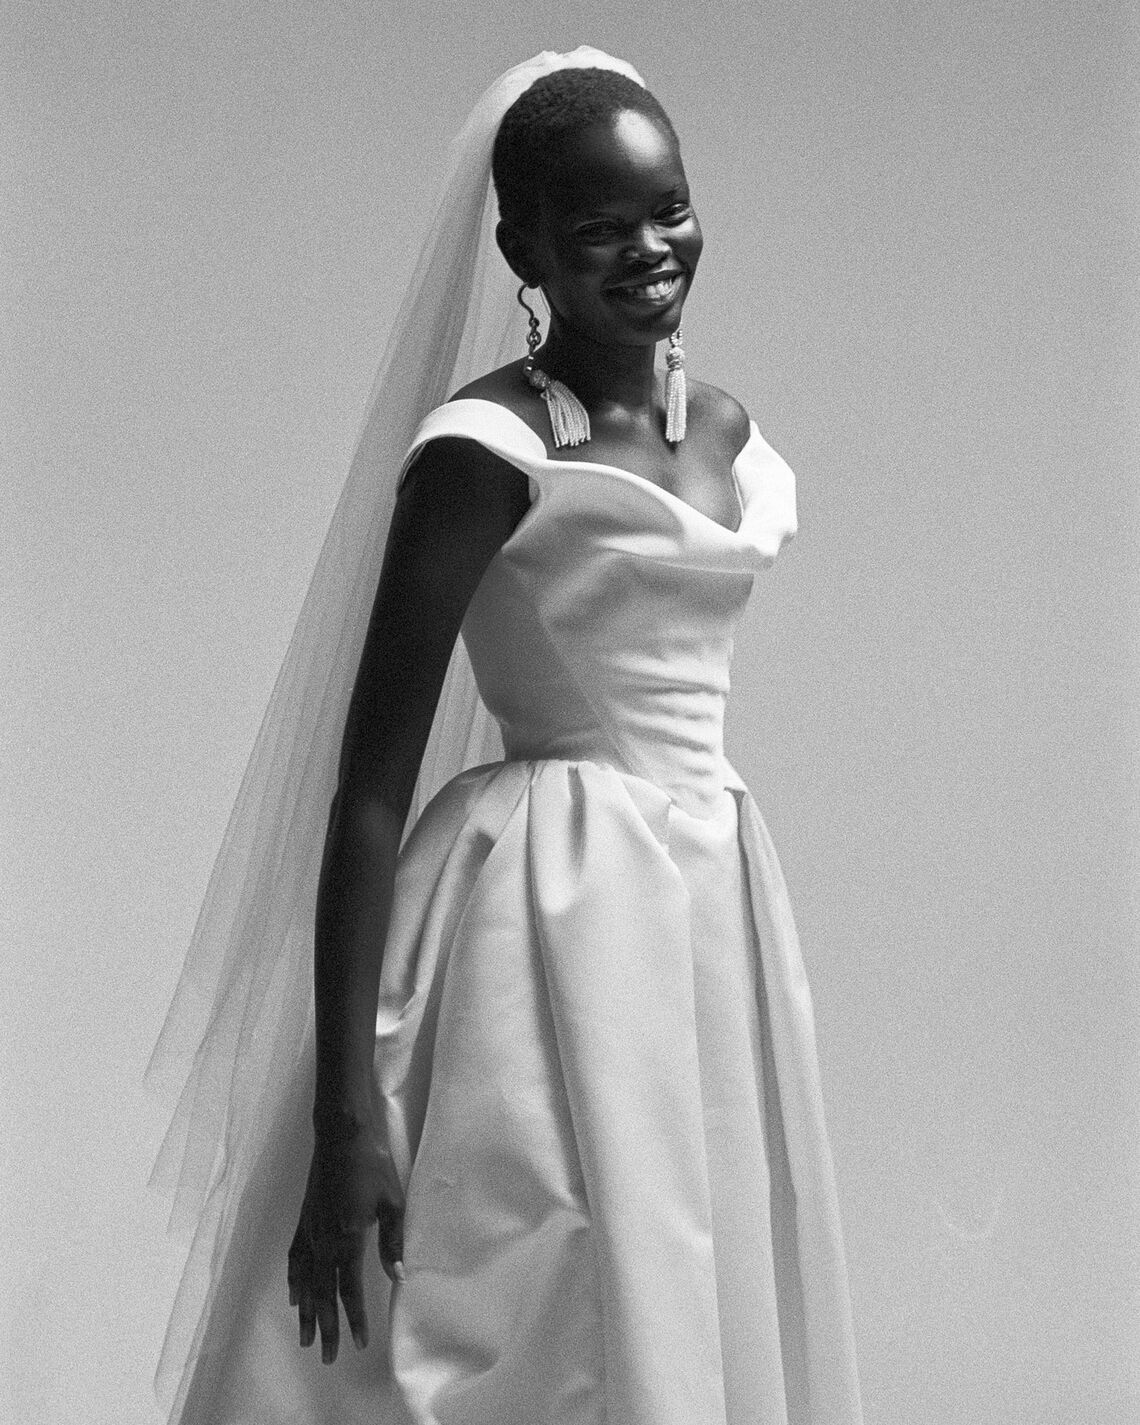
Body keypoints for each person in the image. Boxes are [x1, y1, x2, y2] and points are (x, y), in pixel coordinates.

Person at [149, 47, 863, 1425]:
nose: (648, 250)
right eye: (598, 228)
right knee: (527, 1307)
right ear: (521, 249)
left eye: (670, 210)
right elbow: (370, 788)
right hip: (543, 921)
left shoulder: (722, 429)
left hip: (711, 904)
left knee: (688, 1283)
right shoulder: (483, 452)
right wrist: (345, 1115)